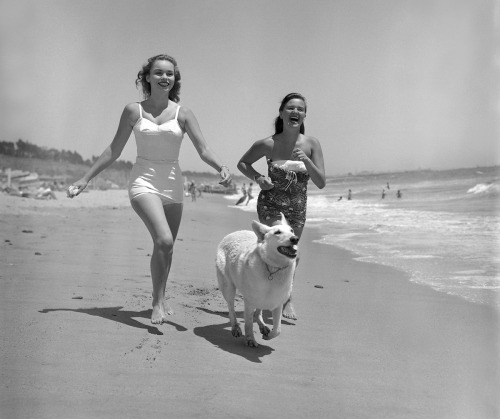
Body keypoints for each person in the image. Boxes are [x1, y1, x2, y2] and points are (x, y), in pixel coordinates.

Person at [67, 54, 231, 325]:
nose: (164, 77)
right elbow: (113, 149)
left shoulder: (184, 113)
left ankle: (161, 297)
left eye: (169, 73)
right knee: (164, 239)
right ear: (146, 77)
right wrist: (86, 178)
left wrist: (220, 167)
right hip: (143, 181)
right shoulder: (133, 111)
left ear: (175, 79)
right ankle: (156, 302)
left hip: (173, 183)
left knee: (166, 247)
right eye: (158, 73)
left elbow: (203, 149)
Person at [237, 92, 325, 319]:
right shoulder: (267, 143)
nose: (295, 112)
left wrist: (306, 161)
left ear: (304, 115)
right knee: (282, 248)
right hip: (271, 203)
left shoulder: (312, 144)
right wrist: (258, 178)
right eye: (290, 108)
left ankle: (282, 298)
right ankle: (265, 296)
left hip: (298, 208)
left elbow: (321, 182)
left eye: (300, 109)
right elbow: (243, 163)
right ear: (281, 113)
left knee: (291, 254)